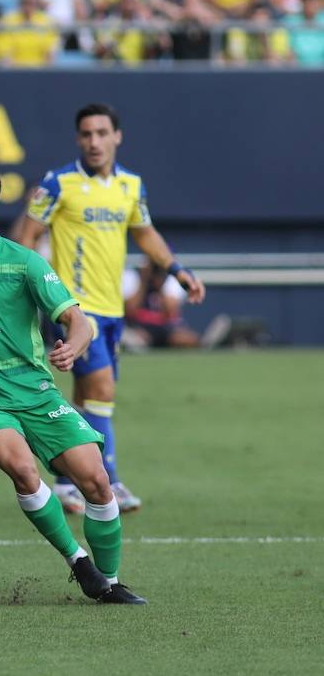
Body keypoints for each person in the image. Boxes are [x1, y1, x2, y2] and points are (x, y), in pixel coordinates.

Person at [0, 161, 146, 605]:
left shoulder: (24, 261)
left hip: (35, 391)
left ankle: (108, 581)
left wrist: (74, 344)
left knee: (97, 481)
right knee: (24, 469)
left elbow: (77, 320)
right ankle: (79, 562)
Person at [15, 103, 206, 513]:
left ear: (117, 136)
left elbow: (146, 233)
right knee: (102, 390)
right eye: (86, 134)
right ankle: (110, 481)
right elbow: (27, 237)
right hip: (74, 311)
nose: (94, 141)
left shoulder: (131, 186)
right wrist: (36, 295)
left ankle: (66, 481)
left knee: (87, 398)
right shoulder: (58, 184)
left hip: (113, 310)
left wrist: (176, 269)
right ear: (78, 139)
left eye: (102, 133)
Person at [122, 259, 200, 349]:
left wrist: (159, 283)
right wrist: (144, 279)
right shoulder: (133, 276)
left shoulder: (173, 278)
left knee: (187, 339)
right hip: (140, 327)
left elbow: (170, 311)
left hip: (167, 328)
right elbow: (130, 310)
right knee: (135, 340)